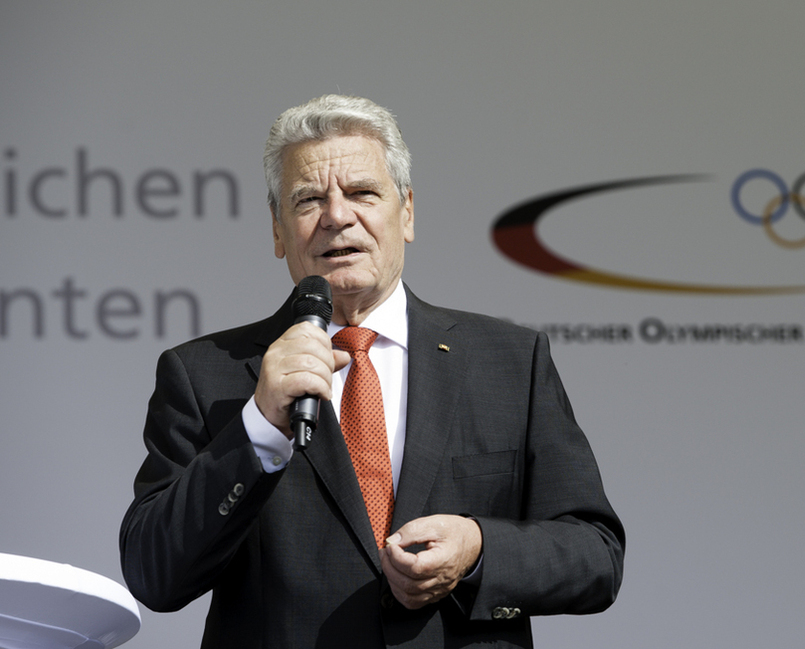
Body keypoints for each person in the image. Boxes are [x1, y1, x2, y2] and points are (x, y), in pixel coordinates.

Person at [119, 94, 624, 648]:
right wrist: (259, 426)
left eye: (362, 192)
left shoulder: (509, 360)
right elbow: (154, 575)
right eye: (309, 199)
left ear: (406, 212)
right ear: (278, 231)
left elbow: (594, 554)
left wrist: (477, 548)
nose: (337, 216)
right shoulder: (203, 375)